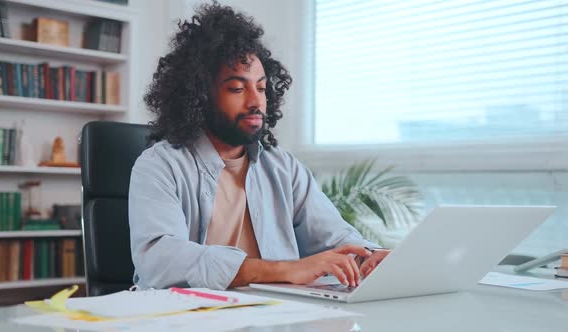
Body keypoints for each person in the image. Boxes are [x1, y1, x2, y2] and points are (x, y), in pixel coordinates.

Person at [129, 1, 390, 291]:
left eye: (262, 88)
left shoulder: (284, 168)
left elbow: (336, 238)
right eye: (238, 89)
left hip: (276, 315)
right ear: (200, 96)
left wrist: (371, 256)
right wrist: (284, 269)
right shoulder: (159, 166)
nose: (256, 102)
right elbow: (159, 260)